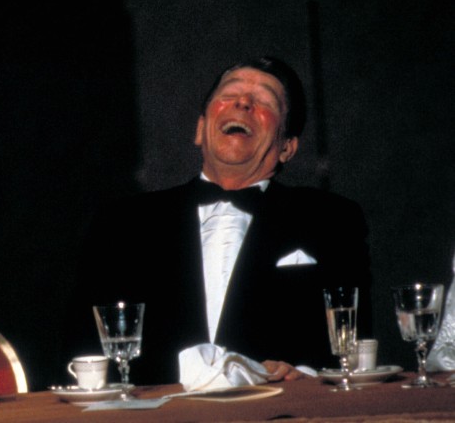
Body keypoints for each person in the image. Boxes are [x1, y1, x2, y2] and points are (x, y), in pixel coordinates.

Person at [69, 57, 371, 386]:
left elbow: (354, 342)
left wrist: (307, 377)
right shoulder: (123, 222)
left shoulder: (332, 219)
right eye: (230, 94)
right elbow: (81, 342)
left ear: (287, 147)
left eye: (265, 101)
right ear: (200, 129)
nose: (243, 103)